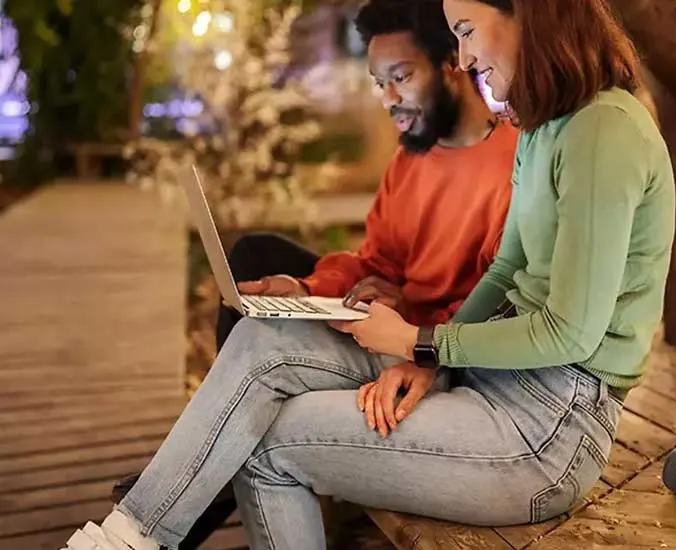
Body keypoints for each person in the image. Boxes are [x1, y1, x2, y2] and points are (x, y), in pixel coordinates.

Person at [63, 0, 675, 548]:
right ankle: (127, 536)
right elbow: (509, 269)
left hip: (549, 428)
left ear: (529, 14)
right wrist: (428, 360)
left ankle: (137, 533)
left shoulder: (604, 130)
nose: (463, 54)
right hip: (487, 373)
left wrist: (420, 341)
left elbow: (571, 333)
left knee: (268, 447)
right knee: (261, 339)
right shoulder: (545, 128)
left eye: (465, 30)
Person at [105, 0, 517, 548]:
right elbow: (377, 262)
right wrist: (303, 289)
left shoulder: (514, 165)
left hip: (430, 358)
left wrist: (408, 319)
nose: (388, 98)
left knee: (261, 357)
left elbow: (495, 304)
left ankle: (159, 517)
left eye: (401, 77)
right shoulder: (413, 159)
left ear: (452, 62)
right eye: (379, 82)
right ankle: (156, 519)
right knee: (258, 271)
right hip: (380, 330)